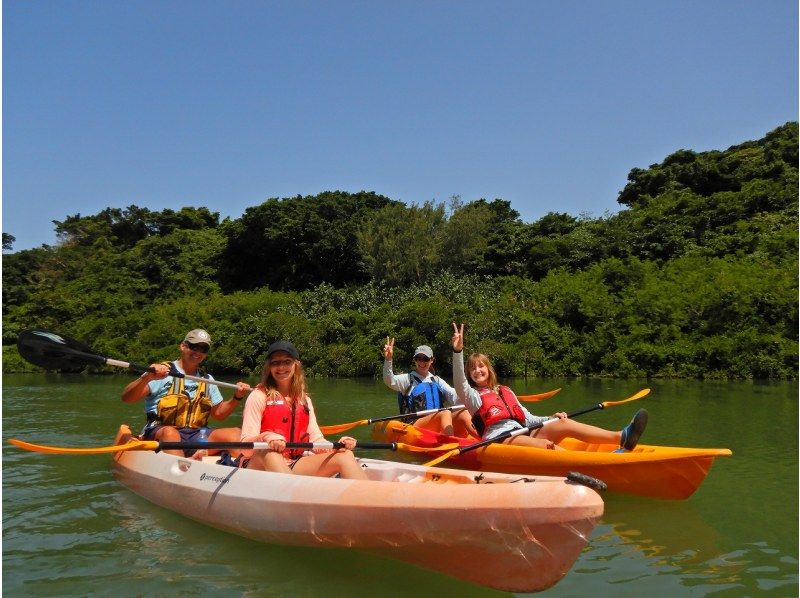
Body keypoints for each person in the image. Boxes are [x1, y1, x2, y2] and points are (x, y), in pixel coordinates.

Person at [450, 323, 648, 451]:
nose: (477, 370)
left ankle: (622, 437)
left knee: (564, 423)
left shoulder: (505, 391)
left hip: (522, 431)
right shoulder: (472, 396)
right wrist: (457, 351)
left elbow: (528, 418)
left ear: (488, 369)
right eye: (472, 369)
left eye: (481, 366)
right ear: (470, 374)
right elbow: (459, 382)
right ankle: (598, 464)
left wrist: (551, 419)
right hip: (499, 439)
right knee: (546, 446)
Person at [240, 340, 368, 479]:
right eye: (275, 362)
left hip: (293, 463)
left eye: (287, 361)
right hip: (258, 465)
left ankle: (368, 497)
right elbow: (245, 448)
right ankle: (294, 494)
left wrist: (337, 445)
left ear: (296, 365)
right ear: (269, 367)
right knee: (269, 452)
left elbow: (316, 440)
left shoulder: (304, 400)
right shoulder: (258, 396)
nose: (281, 367)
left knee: (345, 455)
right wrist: (266, 437)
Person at [121, 329, 251, 458]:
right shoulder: (162, 372)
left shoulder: (207, 379)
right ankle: (182, 468)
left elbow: (219, 414)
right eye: (194, 347)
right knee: (170, 433)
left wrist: (237, 396)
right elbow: (127, 398)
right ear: (183, 346)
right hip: (161, 433)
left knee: (235, 433)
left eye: (203, 349)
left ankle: (244, 467)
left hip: (196, 435)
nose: (198, 352)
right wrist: (147, 377)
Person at [382, 337, 477, 437]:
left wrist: (475, 394)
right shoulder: (407, 379)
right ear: (414, 360)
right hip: (414, 425)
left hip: (436, 422)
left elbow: (455, 396)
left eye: (426, 359)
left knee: (463, 413)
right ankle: (449, 442)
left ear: (432, 360)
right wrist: (388, 359)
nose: (422, 362)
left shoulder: (437, 380)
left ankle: (483, 439)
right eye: (418, 358)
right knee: (445, 412)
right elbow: (389, 380)